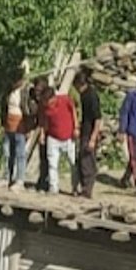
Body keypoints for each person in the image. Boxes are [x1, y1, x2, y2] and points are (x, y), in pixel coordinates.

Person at [0, 68, 35, 191]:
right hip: (9, 123)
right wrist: (2, 124)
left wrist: (29, 128)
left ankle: (20, 180)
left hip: (21, 124)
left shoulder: (26, 91)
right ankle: (5, 178)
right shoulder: (9, 91)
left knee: (20, 154)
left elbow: (30, 111)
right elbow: (3, 108)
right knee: (7, 153)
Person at [38, 85, 78, 195]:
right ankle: (53, 187)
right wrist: (42, 134)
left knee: (73, 163)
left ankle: (75, 187)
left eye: (48, 101)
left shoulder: (65, 100)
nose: (47, 104)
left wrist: (76, 127)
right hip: (53, 137)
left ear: (53, 97)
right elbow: (44, 121)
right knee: (52, 163)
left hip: (68, 137)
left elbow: (74, 112)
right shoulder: (44, 107)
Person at [72, 67, 102, 198]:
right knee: (82, 161)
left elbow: (98, 118)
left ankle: (87, 190)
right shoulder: (84, 95)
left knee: (87, 162)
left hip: (89, 133)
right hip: (85, 131)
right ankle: (84, 187)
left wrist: (93, 138)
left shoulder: (91, 96)